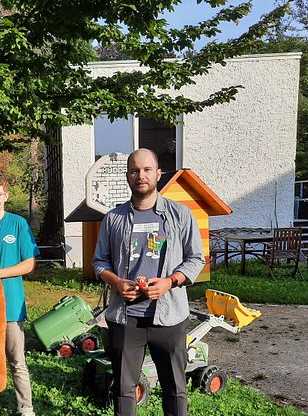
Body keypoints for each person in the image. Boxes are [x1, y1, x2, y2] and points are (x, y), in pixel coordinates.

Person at [93, 149, 205, 416]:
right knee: (123, 390)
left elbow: (196, 259)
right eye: (134, 170)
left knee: (175, 389)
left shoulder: (180, 215)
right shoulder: (114, 218)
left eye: (146, 170)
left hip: (169, 317)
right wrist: (117, 283)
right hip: (125, 318)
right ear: (127, 176)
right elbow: (99, 263)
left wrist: (169, 282)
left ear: (158, 174)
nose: (140, 175)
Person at [0, 174, 39, 416]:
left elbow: (29, 264)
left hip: (11, 304)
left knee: (16, 361)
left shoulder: (17, 224)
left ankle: (26, 409)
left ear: (6, 196)